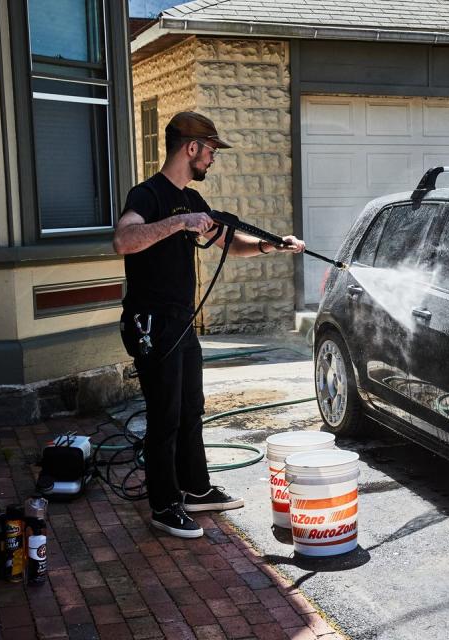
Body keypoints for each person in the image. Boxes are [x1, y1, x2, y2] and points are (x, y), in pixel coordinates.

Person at [113, 111, 306, 538]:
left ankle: (195, 490)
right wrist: (179, 223)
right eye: (211, 150)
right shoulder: (147, 195)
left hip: (181, 323)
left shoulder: (195, 201)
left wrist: (273, 246)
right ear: (191, 147)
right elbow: (124, 240)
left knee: (190, 410)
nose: (213, 159)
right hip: (152, 324)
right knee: (164, 417)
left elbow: (229, 242)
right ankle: (164, 506)